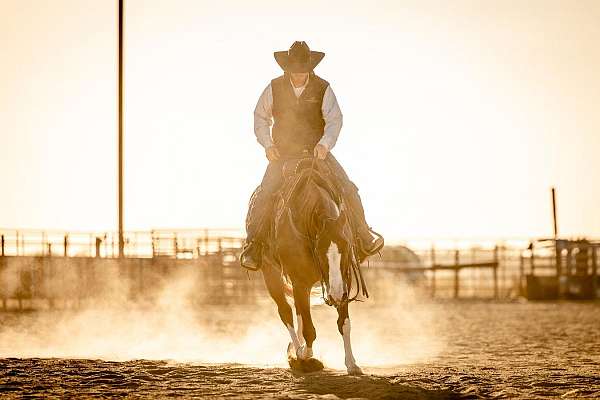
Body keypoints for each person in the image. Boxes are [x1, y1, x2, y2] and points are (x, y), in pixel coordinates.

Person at [240, 41, 384, 270]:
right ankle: (254, 246)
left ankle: (363, 236)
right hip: (283, 155)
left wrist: (325, 145)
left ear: (309, 67)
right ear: (287, 68)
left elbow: (334, 120)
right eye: (294, 70)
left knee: (347, 188)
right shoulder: (273, 88)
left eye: (302, 70)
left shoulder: (323, 88)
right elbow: (260, 118)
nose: (298, 75)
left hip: (318, 153)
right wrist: (268, 145)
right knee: (265, 193)